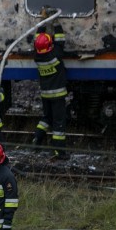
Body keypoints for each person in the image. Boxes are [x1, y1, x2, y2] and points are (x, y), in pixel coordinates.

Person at [32, 16, 69, 160]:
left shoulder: (37, 57)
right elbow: (60, 40)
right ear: (50, 45)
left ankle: (37, 141)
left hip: (45, 94)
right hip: (58, 95)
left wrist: (42, 21)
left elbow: (38, 39)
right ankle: (59, 152)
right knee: (59, 123)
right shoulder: (56, 55)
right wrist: (56, 23)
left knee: (46, 118)